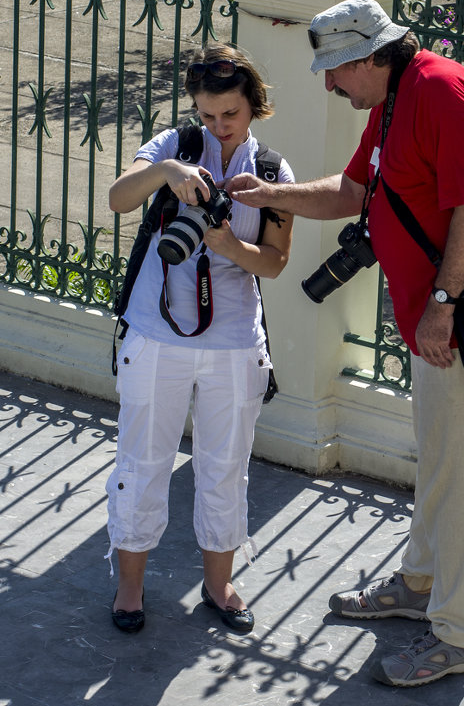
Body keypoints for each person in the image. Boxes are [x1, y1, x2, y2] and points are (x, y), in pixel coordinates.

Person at [226, 0, 464, 686]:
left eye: (334, 71)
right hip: (437, 322)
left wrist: (442, 304)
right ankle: (420, 587)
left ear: (368, 57)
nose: (329, 84)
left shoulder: (440, 90)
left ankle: (456, 636)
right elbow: (355, 191)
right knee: (441, 463)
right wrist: (274, 195)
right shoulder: (392, 100)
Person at [105, 43, 294, 635]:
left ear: (254, 108)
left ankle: (219, 584)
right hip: (155, 334)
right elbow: (117, 198)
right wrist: (167, 173)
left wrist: (230, 248)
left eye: (230, 115)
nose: (217, 126)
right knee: (142, 461)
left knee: (225, 466)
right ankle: (129, 589)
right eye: (207, 114)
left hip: (235, 342)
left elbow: (276, 262)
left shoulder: (270, 173)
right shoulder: (175, 146)